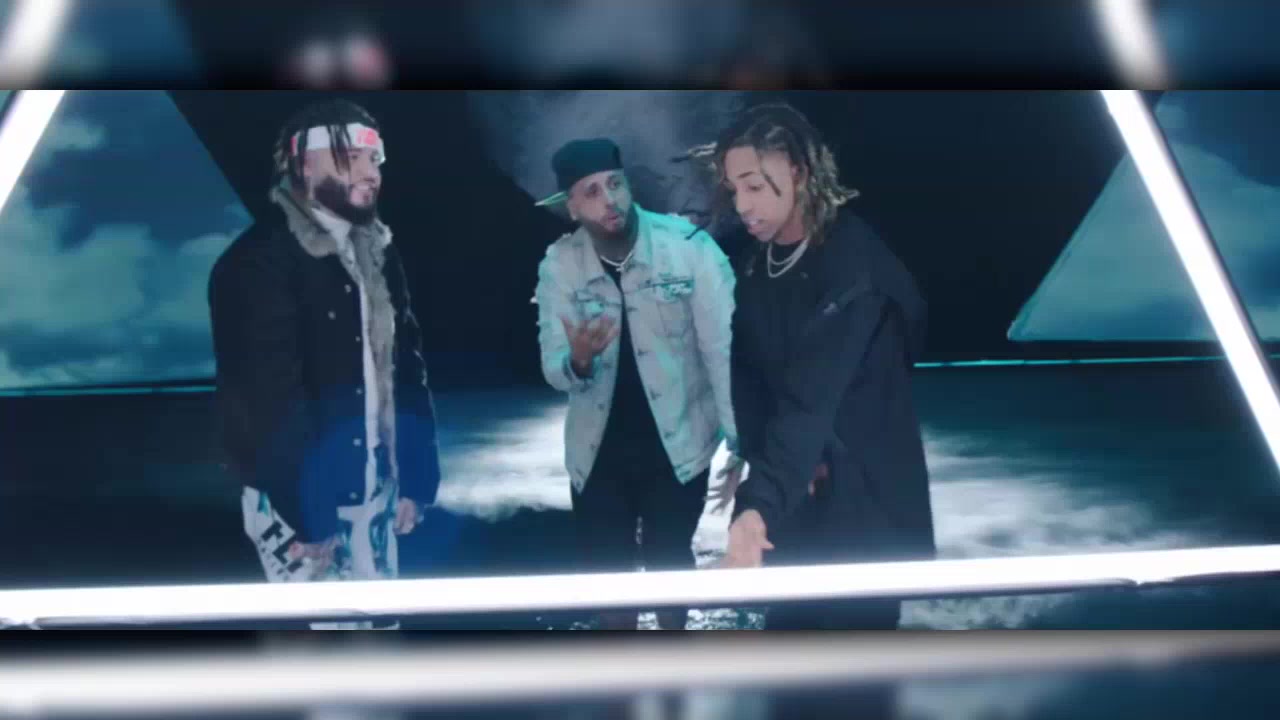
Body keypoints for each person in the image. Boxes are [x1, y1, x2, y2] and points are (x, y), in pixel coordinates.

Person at [689, 102, 937, 633]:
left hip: (867, 514)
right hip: (799, 495)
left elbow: (810, 398)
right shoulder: (756, 264)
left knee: (851, 670)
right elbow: (752, 378)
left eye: (756, 186)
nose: (743, 204)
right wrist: (759, 461)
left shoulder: (854, 271)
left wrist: (753, 510)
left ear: (799, 172)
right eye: (734, 189)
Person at [208, 99, 440, 630]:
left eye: (376, 158)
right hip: (298, 501)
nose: (371, 171)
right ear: (304, 163)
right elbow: (266, 400)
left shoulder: (378, 251)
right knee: (325, 645)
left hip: (374, 489)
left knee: (377, 637)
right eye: (351, 156)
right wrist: (307, 512)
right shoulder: (258, 262)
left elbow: (407, 368)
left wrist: (416, 476)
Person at [533, 137, 744, 630]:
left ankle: (673, 669)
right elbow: (553, 367)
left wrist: (741, 442)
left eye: (615, 184)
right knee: (608, 585)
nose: (610, 199)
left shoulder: (689, 248)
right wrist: (579, 361)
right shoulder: (560, 265)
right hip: (597, 453)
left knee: (671, 570)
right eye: (592, 192)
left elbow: (724, 352)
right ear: (571, 207)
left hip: (679, 444)